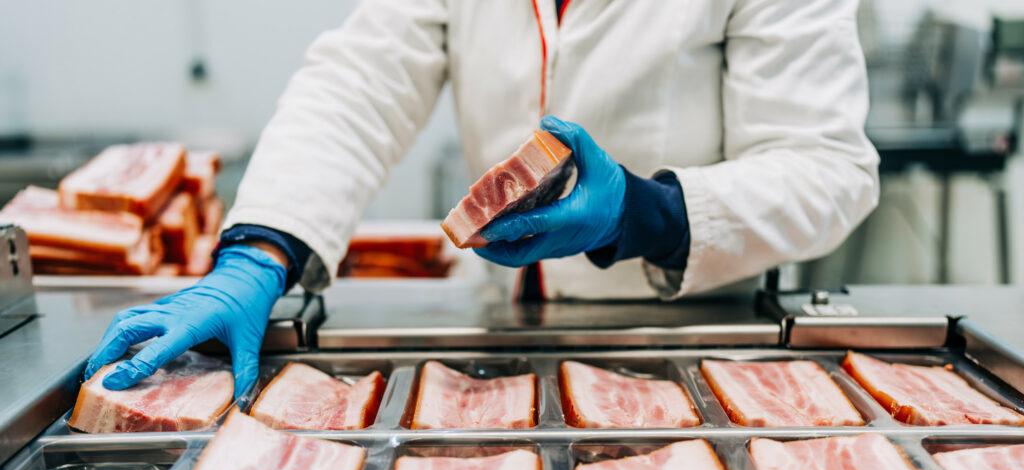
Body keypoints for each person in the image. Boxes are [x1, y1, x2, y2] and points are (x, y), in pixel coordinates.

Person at [86, 0, 879, 398]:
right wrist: (258, 253)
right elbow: (362, 82)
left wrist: (646, 214)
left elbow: (827, 165)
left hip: (699, 341)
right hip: (502, 330)